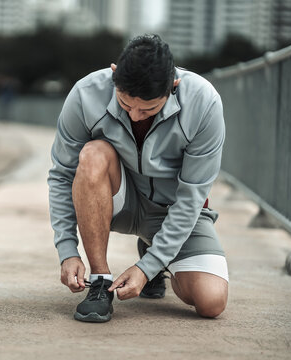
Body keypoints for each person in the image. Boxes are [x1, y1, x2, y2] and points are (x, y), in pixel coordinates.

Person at [48, 34, 228, 323]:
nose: (135, 115)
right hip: (119, 200)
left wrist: (148, 266)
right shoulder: (85, 93)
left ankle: (157, 260)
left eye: (148, 109)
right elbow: (61, 176)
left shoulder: (204, 103)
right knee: (93, 153)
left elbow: (192, 195)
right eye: (125, 103)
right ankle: (100, 282)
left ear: (174, 86)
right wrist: (67, 250)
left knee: (211, 302)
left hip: (171, 210)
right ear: (114, 74)